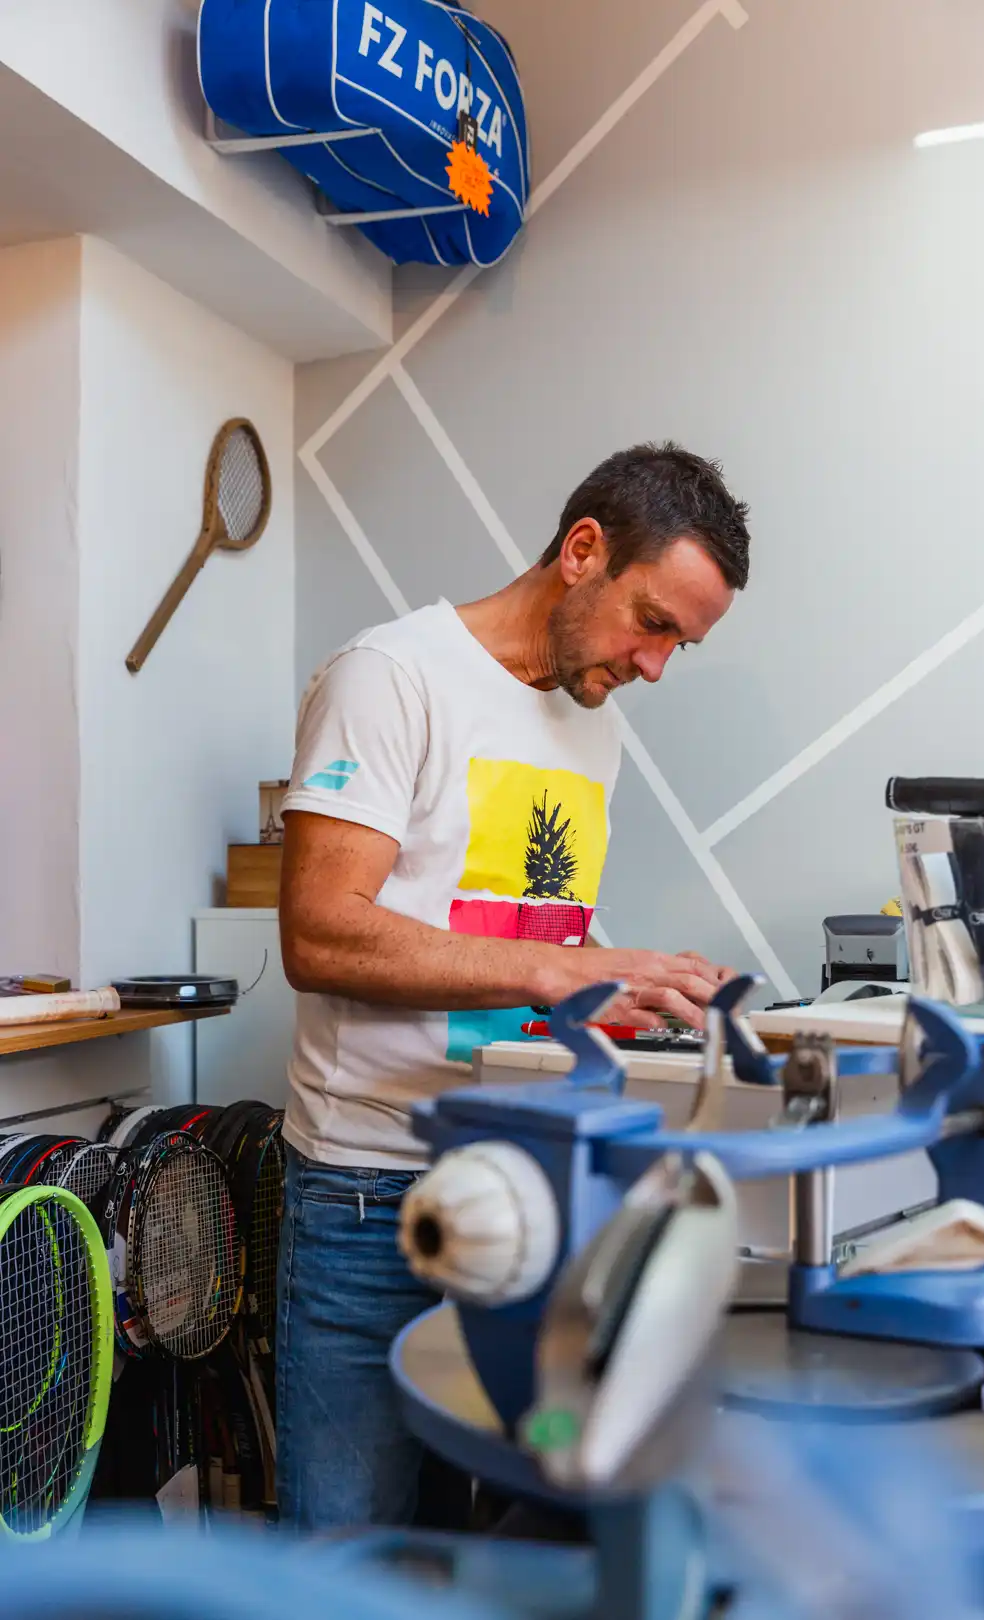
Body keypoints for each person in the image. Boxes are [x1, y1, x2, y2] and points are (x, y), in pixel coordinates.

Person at [275, 441, 751, 1535]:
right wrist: (564, 967)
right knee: (347, 1563)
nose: (656, 665)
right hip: (372, 1198)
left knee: (465, 1557)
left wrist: (615, 994)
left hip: (526, 1186)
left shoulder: (597, 732)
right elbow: (320, 932)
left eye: (683, 642)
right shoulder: (389, 678)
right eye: (654, 622)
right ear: (582, 551)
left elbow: (522, 938)